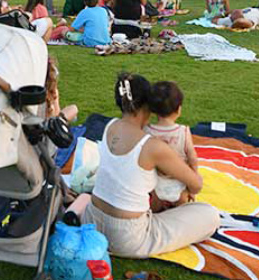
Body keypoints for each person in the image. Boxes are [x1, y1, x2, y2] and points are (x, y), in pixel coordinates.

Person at [84, 73, 218, 258]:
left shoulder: (110, 126)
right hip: (127, 237)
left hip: (91, 222)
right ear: (147, 104)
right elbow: (196, 185)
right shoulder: (151, 146)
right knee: (209, 215)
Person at [144, 81, 199, 211]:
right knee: (182, 211)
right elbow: (192, 158)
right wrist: (193, 182)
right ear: (179, 109)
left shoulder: (147, 131)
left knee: (155, 214)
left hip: (155, 185)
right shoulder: (183, 132)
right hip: (180, 183)